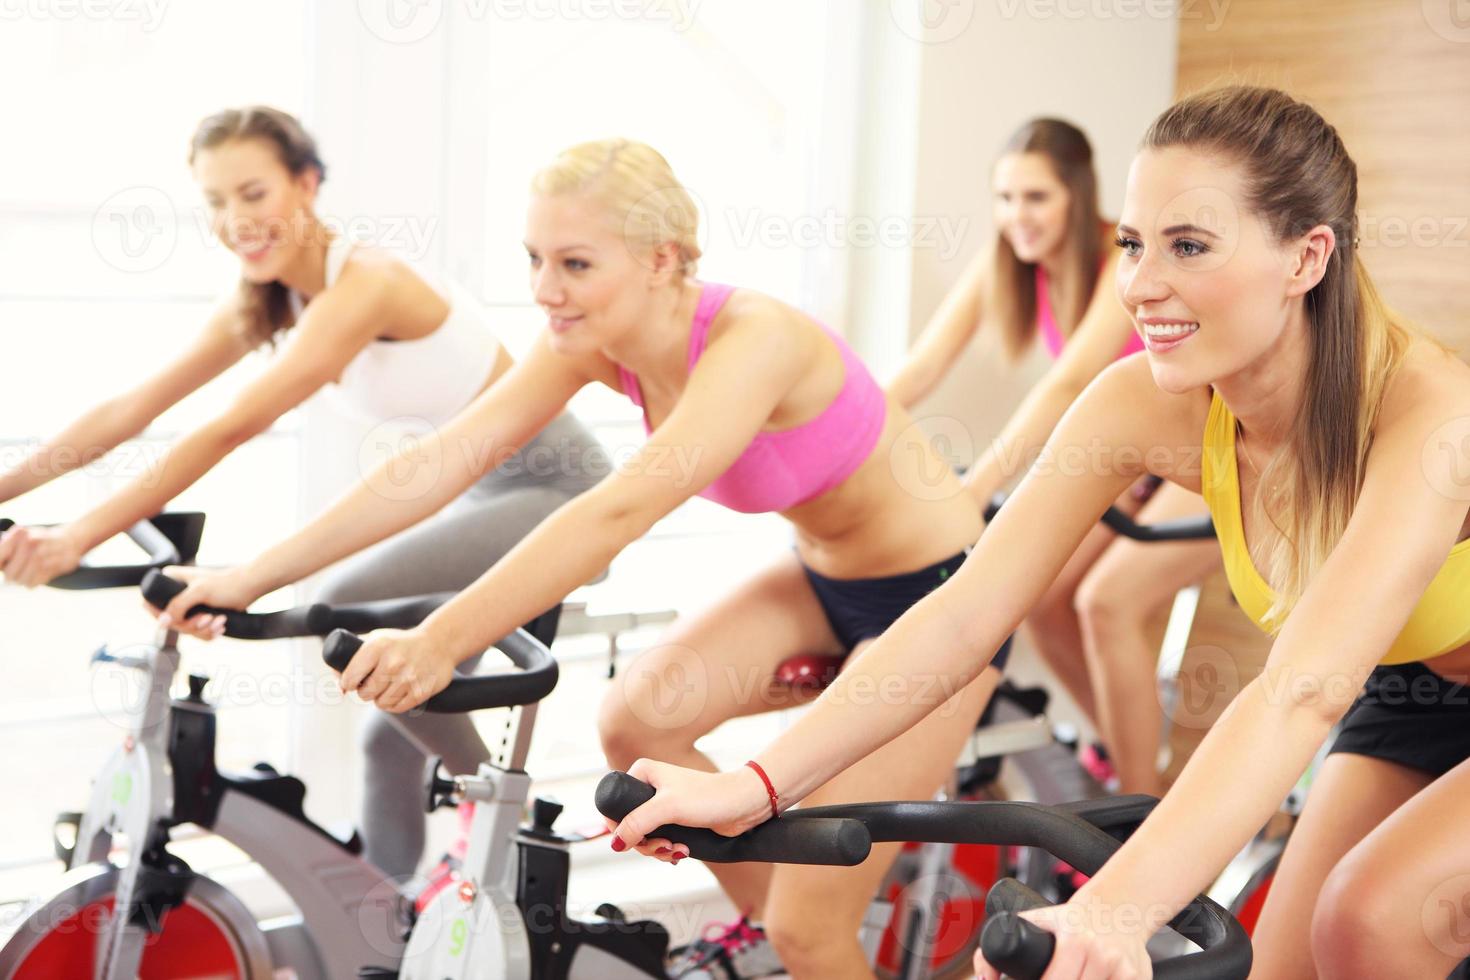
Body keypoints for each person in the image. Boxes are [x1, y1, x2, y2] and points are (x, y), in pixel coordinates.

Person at [607, 86, 1470, 980]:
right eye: (1133, 244)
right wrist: (753, 786)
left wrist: (1111, 912)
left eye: (1189, 246)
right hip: (1414, 692)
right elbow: (964, 615)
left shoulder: (1428, 414)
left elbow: (1301, 692)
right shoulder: (1143, 401)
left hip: (1360, 690)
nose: (1140, 284)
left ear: (1306, 257)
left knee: (1368, 919)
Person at [156, 138, 1002, 978]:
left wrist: (440, 638)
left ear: (660, 258)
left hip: (943, 598)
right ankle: (772, 925)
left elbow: (618, 509)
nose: (544, 290)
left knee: (811, 931)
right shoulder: (588, 338)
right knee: (637, 726)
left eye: (575, 263)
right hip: (824, 577)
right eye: (533, 259)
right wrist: (249, 576)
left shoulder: (756, 338)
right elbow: (440, 461)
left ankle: (801, 937)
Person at [0, 105, 604, 878]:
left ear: (308, 184)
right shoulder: (277, 295)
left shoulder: (369, 284)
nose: (235, 219)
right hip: (474, 498)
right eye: (216, 201)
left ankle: (497, 823)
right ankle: (384, 930)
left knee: (342, 606)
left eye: (253, 193)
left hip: (559, 496)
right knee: (385, 737)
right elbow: (135, 407)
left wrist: (74, 538)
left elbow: (229, 427)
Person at [889, 118, 1220, 792]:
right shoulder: (1009, 265)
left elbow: (1072, 381)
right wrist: (842, 435)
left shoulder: (1116, 257)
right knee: (1041, 601)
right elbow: (919, 371)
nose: (1019, 217)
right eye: (1005, 198)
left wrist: (979, 485)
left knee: (1106, 602)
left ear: (1075, 192)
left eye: (1036, 197)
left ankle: (1138, 808)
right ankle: (1134, 766)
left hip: (1206, 450)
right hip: (1133, 463)